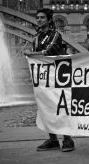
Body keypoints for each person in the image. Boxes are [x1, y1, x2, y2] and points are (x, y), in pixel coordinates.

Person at [24, 8, 75, 152]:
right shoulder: (36, 37)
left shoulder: (55, 35)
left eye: (42, 17)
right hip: (42, 78)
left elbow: (50, 51)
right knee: (46, 107)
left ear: (48, 20)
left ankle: (67, 139)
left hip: (57, 77)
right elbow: (36, 59)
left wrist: (31, 53)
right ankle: (53, 140)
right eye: (37, 17)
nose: (39, 20)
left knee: (61, 106)